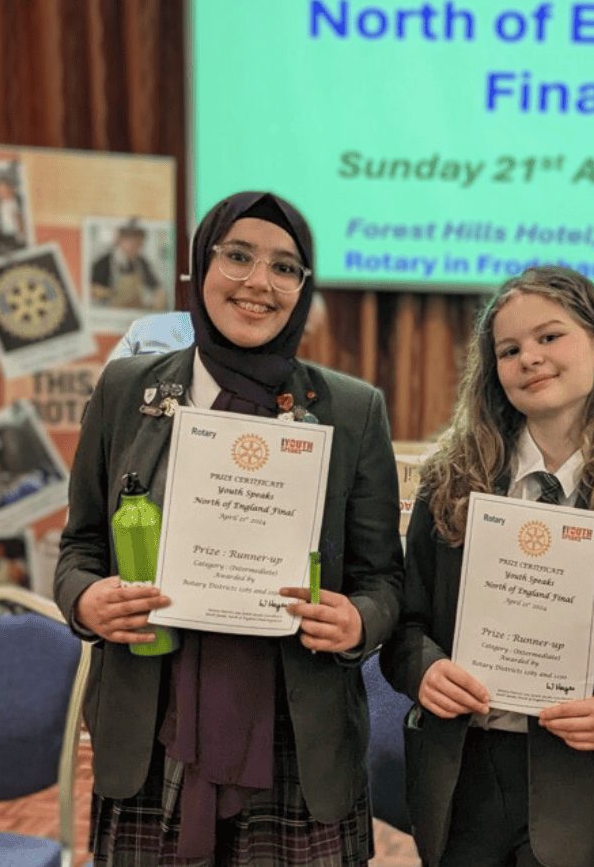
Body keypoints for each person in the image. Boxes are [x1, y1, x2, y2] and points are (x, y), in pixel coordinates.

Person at [55, 191, 404, 867]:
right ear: (199, 266)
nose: (258, 282)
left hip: (296, 741)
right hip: (153, 731)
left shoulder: (352, 411)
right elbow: (82, 548)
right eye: (238, 256)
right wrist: (84, 601)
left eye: (285, 268)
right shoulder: (126, 392)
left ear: (304, 289)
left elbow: (383, 580)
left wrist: (359, 621)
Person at [380, 266, 594, 867]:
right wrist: (424, 669)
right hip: (462, 778)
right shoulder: (451, 482)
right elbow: (403, 626)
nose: (530, 359)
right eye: (509, 349)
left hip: (585, 785)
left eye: (550, 338)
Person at [106, 293, 327, 362]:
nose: (298, 339)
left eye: (305, 334)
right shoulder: (148, 332)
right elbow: (106, 396)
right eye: (300, 330)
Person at [91, 218, 166, 310]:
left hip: (135, 313)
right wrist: (115, 293)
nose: (136, 248)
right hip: (110, 315)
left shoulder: (141, 262)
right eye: (132, 243)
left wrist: (159, 296)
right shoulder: (103, 262)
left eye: (139, 244)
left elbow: (156, 286)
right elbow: (94, 290)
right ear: (121, 239)